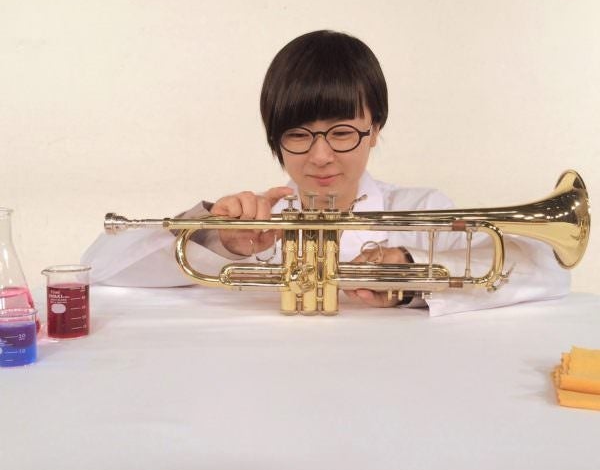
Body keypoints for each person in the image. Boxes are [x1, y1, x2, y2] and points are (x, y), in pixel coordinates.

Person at [82, 30, 570, 315]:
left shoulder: (421, 210)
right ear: (275, 137)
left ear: (374, 129)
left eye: (341, 132)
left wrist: (414, 275)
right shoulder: (249, 224)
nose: (319, 156)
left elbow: (548, 274)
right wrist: (214, 236)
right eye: (298, 134)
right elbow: (99, 270)